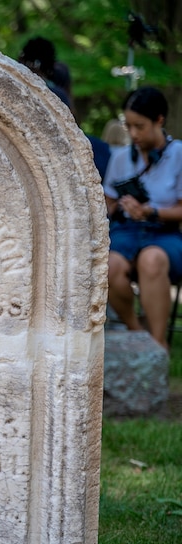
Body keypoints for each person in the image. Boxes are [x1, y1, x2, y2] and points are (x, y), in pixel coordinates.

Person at [103, 87, 182, 351]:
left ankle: (158, 345)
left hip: (165, 233)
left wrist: (151, 211)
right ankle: (139, 336)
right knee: (107, 266)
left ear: (159, 120)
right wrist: (117, 205)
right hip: (126, 231)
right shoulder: (121, 158)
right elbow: (107, 202)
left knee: (151, 259)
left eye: (140, 126)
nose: (133, 134)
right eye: (129, 126)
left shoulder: (179, 154)